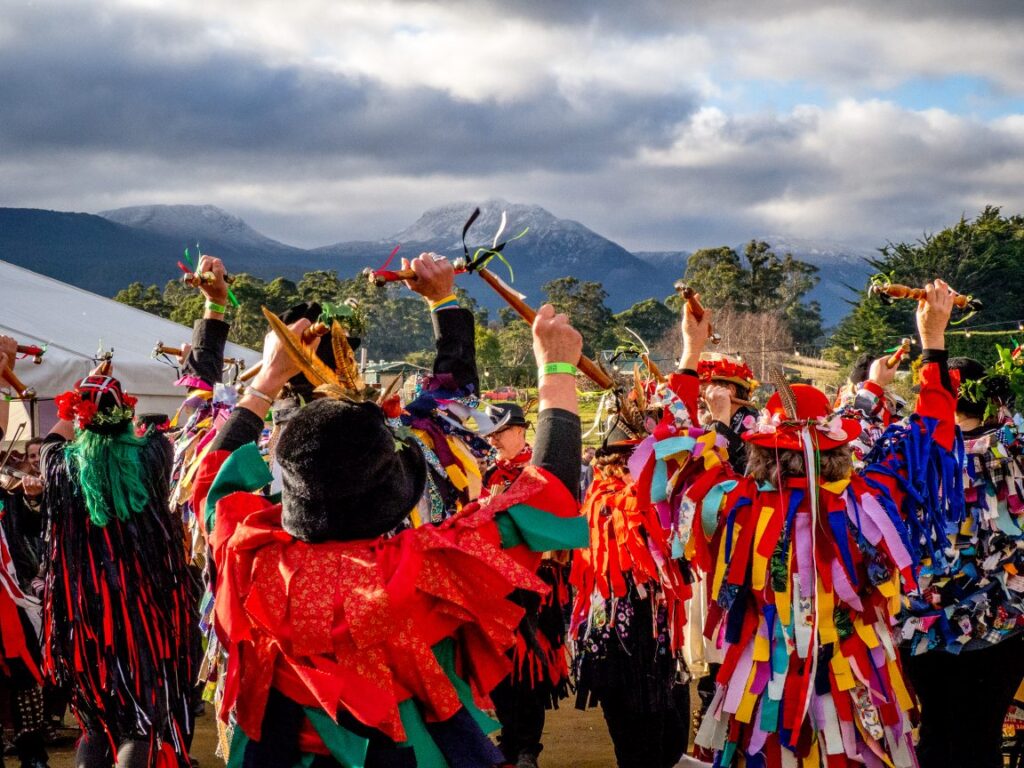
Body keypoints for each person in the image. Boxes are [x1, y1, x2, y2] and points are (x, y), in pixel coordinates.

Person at [190, 258, 588, 767]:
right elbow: (548, 492)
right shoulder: (420, 569)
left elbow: (211, 478)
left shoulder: (248, 552)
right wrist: (554, 367)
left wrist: (266, 377)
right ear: (392, 491)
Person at [664, 283, 959, 767]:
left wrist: (691, 353)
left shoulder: (734, 506)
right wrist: (933, 341)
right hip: (858, 680)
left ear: (758, 450)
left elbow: (676, 458)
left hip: (762, 697)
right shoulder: (871, 499)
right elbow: (932, 431)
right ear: (839, 448)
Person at [40, 369, 195, 767]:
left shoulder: (59, 467)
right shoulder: (152, 457)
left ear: (80, 417)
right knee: (139, 723)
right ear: (127, 412)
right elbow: (194, 405)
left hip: (83, 620)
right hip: (144, 617)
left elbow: (54, 439)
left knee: (95, 724)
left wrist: (84, 390)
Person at [898, 354, 1024, 768]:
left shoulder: (910, 459)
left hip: (924, 625)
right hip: (1001, 627)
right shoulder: (1012, 452)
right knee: (980, 738)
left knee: (936, 732)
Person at [483, 402, 571, 768]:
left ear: (520, 431)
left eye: (499, 432)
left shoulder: (542, 471)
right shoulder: (489, 475)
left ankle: (527, 747)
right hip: (496, 584)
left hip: (538, 585)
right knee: (500, 666)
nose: (494, 440)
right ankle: (508, 738)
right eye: (491, 434)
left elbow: (563, 526)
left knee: (530, 667)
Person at [0, 337, 49, 768]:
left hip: (11, 586)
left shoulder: (10, 482)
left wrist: (32, 498)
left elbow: (32, 524)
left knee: (23, 667)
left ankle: (34, 752)